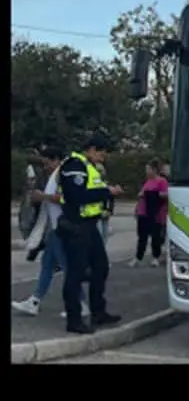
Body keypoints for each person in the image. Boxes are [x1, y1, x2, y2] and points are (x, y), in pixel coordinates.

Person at [57, 133, 124, 334]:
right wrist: (107, 192)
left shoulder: (88, 166)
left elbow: (91, 194)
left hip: (89, 226)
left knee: (100, 267)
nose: (103, 157)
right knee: (76, 274)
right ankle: (74, 319)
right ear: (92, 149)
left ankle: (98, 311)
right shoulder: (73, 166)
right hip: (75, 226)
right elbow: (76, 196)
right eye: (102, 153)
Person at [12, 147, 88, 320]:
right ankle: (35, 301)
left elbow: (67, 198)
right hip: (56, 228)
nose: (45, 167)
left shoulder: (64, 174)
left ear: (55, 160)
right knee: (47, 264)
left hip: (63, 228)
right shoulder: (55, 175)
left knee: (67, 268)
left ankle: (80, 303)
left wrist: (44, 197)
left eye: (47, 163)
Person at [130, 160, 169, 267]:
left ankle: (155, 257)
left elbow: (165, 195)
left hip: (155, 213)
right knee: (142, 237)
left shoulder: (162, 181)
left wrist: (152, 194)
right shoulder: (147, 181)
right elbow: (141, 195)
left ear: (154, 170)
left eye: (148, 169)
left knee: (155, 237)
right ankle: (138, 257)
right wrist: (137, 209)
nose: (146, 171)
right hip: (143, 212)